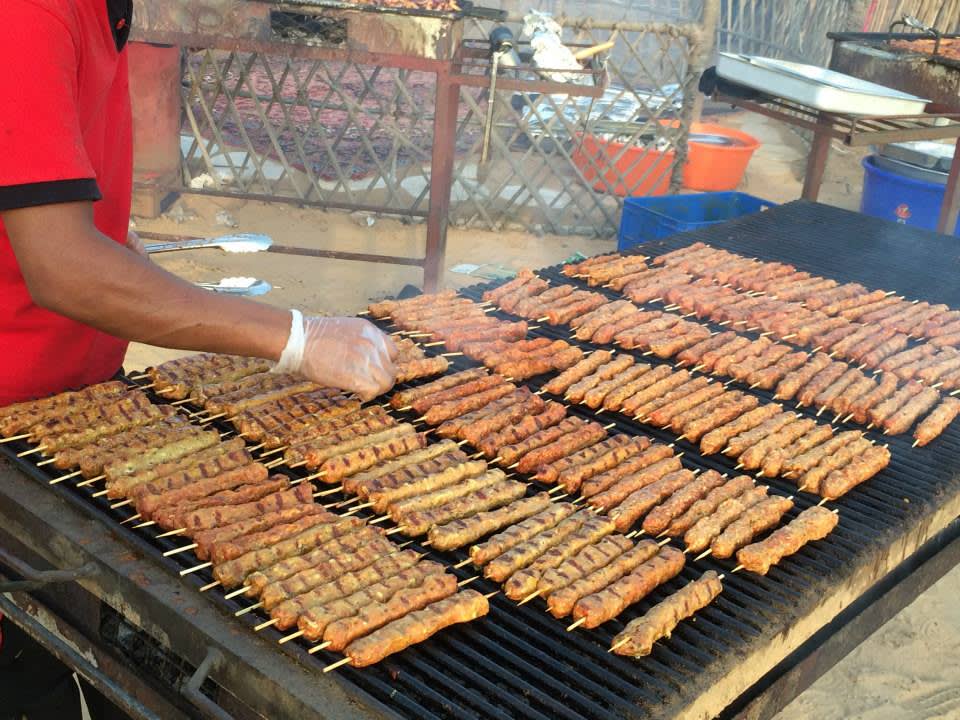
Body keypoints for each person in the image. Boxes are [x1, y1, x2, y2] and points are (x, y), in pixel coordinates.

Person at [0, 0, 398, 407]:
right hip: (16, 398)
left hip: (84, 384)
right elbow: (62, 267)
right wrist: (297, 339)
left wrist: (100, 229)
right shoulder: (27, 14)